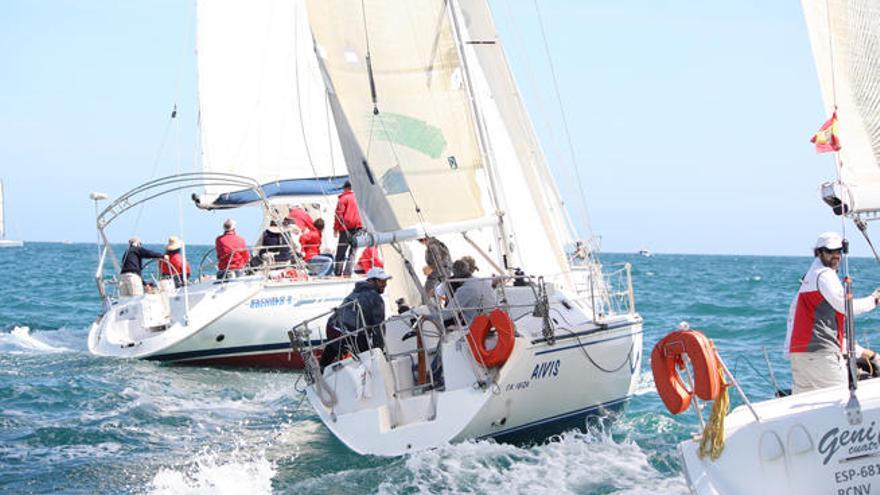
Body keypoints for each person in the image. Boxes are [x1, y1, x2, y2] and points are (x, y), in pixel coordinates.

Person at [785, 232, 880, 394]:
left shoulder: (809, 278)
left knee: (807, 405)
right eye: (830, 252)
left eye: (838, 251)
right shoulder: (824, 275)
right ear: (818, 253)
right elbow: (846, 307)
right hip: (820, 355)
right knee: (843, 399)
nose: (836, 256)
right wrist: (874, 300)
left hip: (799, 354)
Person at [319, 267, 392, 370]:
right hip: (349, 333)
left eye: (385, 281)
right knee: (368, 357)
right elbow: (378, 327)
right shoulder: (376, 298)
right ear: (371, 280)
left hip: (332, 327)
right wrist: (378, 351)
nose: (384, 284)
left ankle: (320, 371)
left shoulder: (357, 291)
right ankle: (371, 372)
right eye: (381, 281)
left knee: (333, 347)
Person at [443, 258, 497, 325]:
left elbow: (447, 313)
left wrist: (430, 317)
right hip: (491, 322)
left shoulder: (465, 289)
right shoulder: (484, 281)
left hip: (475, 326)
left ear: (455, 275)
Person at [333, 181, 364, 276]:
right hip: (359, 228)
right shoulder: (359, 198)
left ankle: (338, 273)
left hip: (346, 229)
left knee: (341, 252)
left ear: (346, 188)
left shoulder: (343, 199)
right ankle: (348, 273)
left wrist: (335, 229)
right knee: (353, 252)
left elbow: (339, 215)